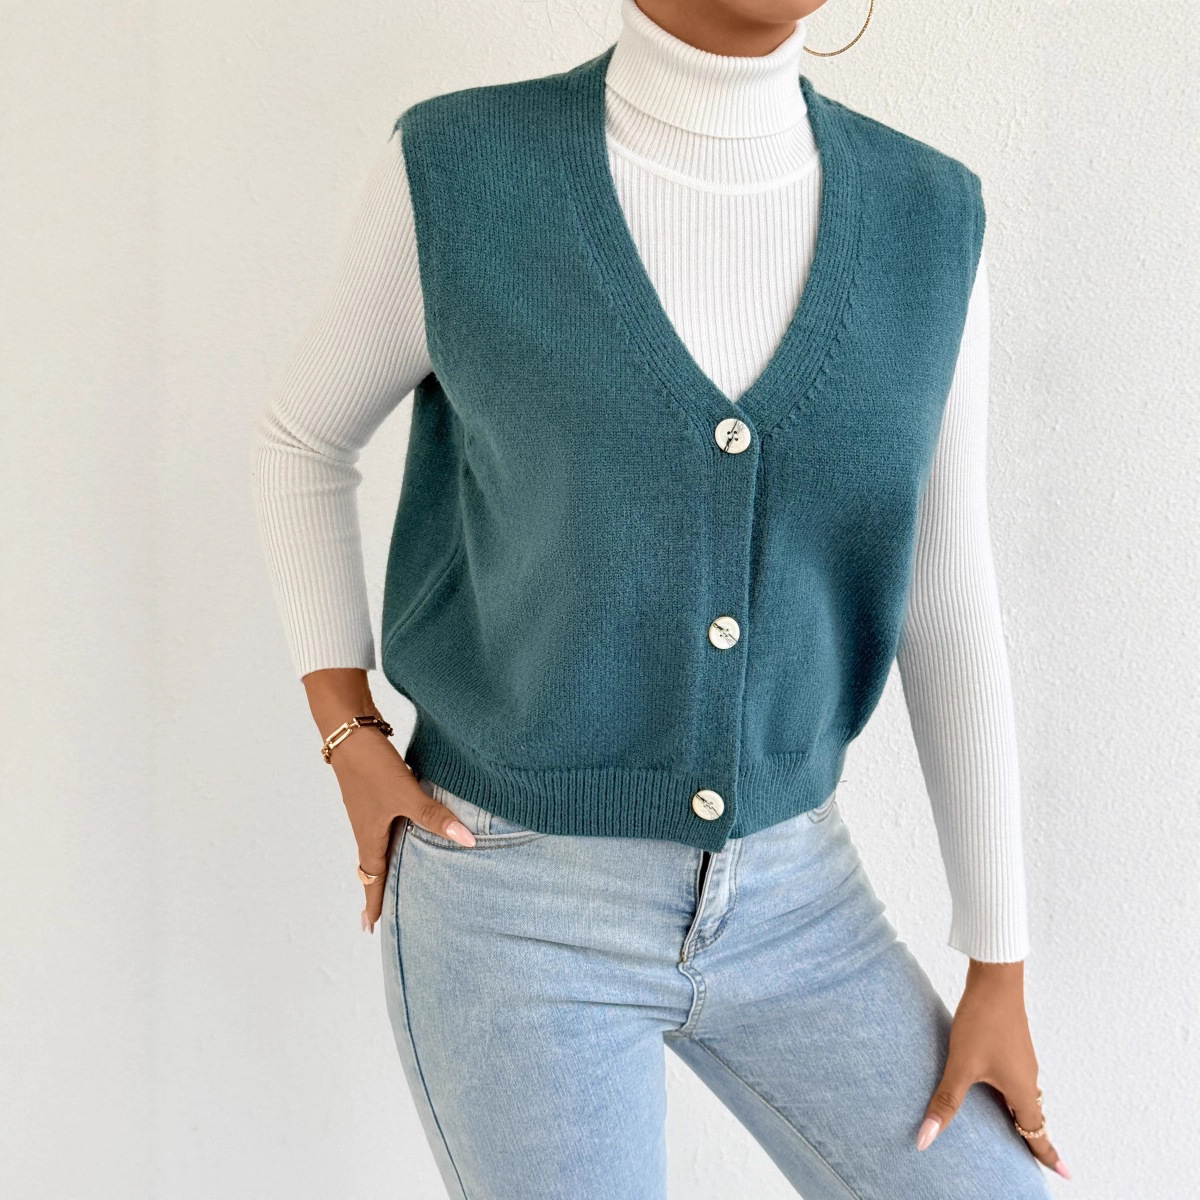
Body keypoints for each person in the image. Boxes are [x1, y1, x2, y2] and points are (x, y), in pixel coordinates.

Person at [253, 1, 1068, 1195]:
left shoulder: (928, 217)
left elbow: (945, 594)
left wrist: (1000, 960)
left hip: (799, 898)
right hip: (515, 902)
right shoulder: (462, 171)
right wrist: (348, 733)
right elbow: (301, 439)